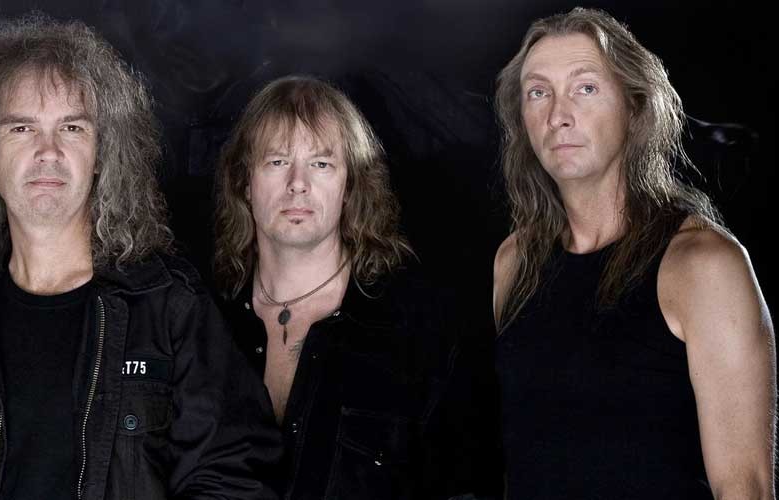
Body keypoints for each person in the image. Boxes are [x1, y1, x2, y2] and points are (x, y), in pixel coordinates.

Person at [0, 16, 281, 500]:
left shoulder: (172, 311)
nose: (47, 151)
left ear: (101, 155)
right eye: (21, 128)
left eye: (71, 127)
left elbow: (231, 474)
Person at [492, 7, 776, 499]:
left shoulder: (702, 265)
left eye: (585, 88)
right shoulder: (515, 261)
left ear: (635, 107)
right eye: (538, 92)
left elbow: (744, 487)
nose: (557, 115)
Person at [213, 75, 499, 499]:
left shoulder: (424, 330)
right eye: (277, 161)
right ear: (244, 182)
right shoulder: (203, 323)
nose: (297, 183)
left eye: (321, 164)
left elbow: (467, 488)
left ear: (349, 186)